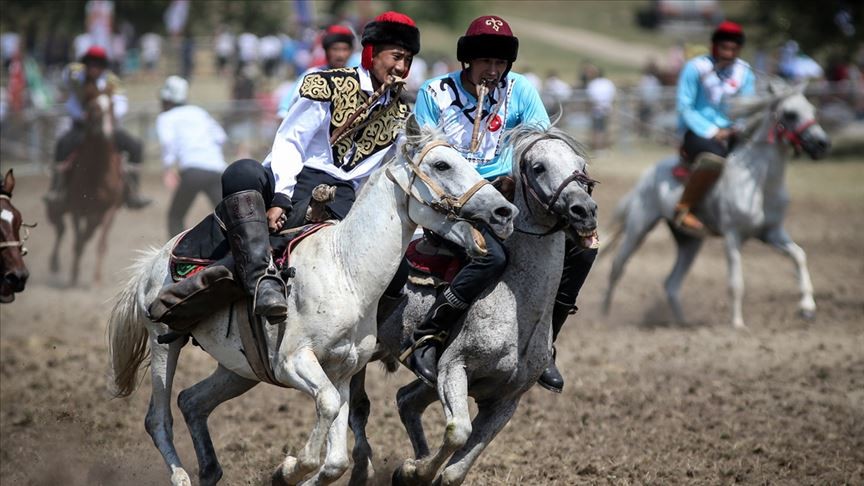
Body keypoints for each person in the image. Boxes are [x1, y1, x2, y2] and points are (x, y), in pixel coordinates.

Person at [406, 15, 597, 393]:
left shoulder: (520, 90)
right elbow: (423, 153)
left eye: (500, 63)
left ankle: (545, 346)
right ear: (468, 61)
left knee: (584, 252)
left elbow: (539, 142)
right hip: (451, 196)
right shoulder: (434, 93)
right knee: (491, 257)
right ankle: (428, 337)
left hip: (507, 193)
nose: (493, 70)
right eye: (485, 62)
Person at [213, 11, 420, 322]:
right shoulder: (326, 84)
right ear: (371, 52)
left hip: (347, 196)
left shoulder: (402, 109)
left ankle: (371, 335)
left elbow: (394, 168)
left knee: (396, 270)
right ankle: (260, 277)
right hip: (297, 177)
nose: (402, 68)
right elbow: (290, 140)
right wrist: (281, 196)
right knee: (241, 172)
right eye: (396, 57)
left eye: (408, 60)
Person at [45, 45, 151, 210]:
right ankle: (57, 189)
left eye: (97, 64)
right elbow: (71, 103)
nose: (94, 67)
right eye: (90, 63)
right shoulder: (77, 79)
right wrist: (83, 116)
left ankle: (134, 192)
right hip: (82, 127)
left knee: (135, 146)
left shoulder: (112, 82)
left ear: (103, 66)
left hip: (107, 125)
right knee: (63, 144)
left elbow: (122, 102)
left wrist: (110, 114)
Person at [674, 21, 755, 235]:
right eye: (724, 48)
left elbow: (748, 107)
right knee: (714, 158)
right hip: (698, 133)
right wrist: (713, 131)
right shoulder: (695, 68)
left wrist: (735, 128)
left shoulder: (745, 72)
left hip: (734, 132)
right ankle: (684, 208)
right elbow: (685, 107)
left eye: (733, 49)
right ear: (714, 46)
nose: (728, 53)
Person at [155, 76, 227, 238]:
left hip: (193, 171)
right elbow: (221, 137)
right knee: (227, 217)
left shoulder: (165, 117)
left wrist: (168, 168)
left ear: (167, 99)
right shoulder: (199, 112)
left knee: (175, 216)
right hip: (217, 170)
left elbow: (168, 143)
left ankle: (181, 258)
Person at [276, 24, 356, 119]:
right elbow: (285, 109)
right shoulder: (313, 75)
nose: (340, 55)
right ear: (326, 51)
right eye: (335, 49)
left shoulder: (356, 77)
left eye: (344, 49)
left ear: (351, 51)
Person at [585, 64, 616, 150]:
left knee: (597, 130)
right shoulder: (608, 83)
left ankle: (598, 147)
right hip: (607, 108)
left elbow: (591, 97)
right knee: (605, 129)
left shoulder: (593, 84)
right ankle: (605, 147)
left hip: (597, 110)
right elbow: (612, 95)